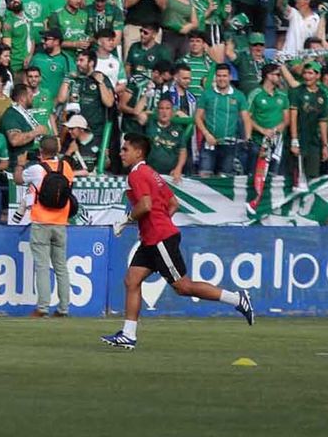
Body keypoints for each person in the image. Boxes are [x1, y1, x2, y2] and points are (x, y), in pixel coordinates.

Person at [101, 132, 254, 350]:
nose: (121, 153)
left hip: (159, 238)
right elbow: (174, 203)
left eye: (125, 149)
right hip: (153, 237)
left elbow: (144, 205)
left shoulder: (137, 174)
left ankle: (237, 299)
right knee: (132, 280)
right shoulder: (152, 173)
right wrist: (156, 223)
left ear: (138, 152)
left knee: (183, 287)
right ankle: (128, 334)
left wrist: (126, 221)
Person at [23, 135, 74, 318]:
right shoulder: (67, 167)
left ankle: (43, 307)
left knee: (42, 266)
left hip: (41, 221)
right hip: (61, 222)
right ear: (57, 150)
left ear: (41, 150)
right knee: (61, 266)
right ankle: (64, 308)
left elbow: (19, 179)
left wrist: (21, 163)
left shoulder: (37, 169)